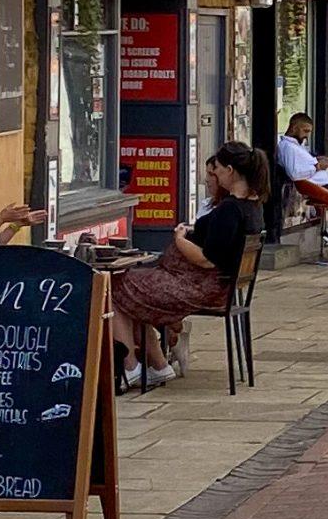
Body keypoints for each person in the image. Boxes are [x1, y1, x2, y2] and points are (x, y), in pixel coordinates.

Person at [109, 142, 267, 388]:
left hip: (196, 286)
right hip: (212, 286)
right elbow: (222, 243)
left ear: (230, 170)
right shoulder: (252, 207)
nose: (216, 176)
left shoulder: (230, 209)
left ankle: (130, 367)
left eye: (218, 171)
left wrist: (180, 239)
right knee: (135, 290)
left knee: (113, 287)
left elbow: (206, 259)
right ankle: (159, 365)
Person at [273, 111, 328, 251]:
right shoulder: (288, 147)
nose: (307, 135)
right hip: (320, 185)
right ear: (294, 127)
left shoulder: (297, 146)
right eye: (305, 131)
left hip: (327, 181)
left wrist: (319, 162)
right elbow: (295, 173)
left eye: (309, 131)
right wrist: (317, 166)